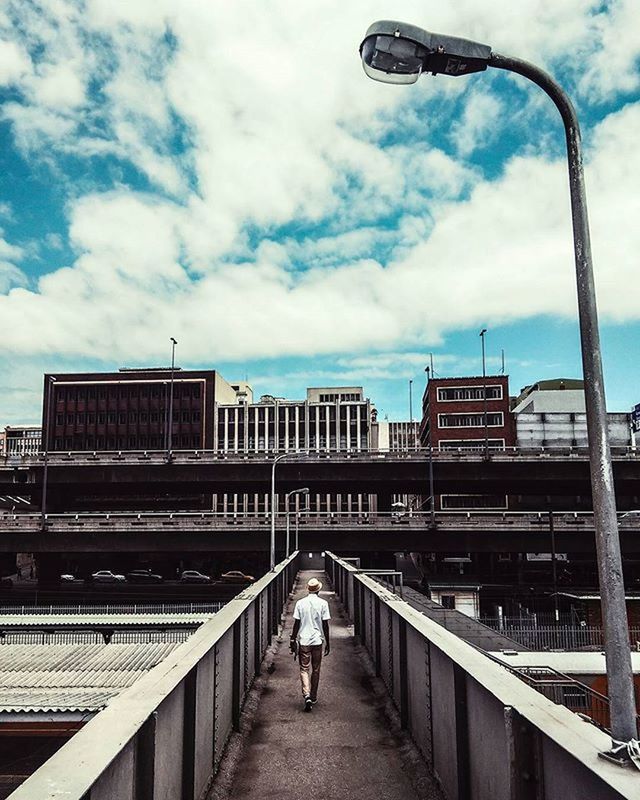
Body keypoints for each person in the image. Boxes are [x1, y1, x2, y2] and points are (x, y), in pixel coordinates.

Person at [290, 577, 331, 712]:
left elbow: (296, 624)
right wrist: (328, 642)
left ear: (308, 589)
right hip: (317, 641)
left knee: (304, 669)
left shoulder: (300, 603)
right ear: (318, 590)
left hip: (304, 641)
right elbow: (325, 625)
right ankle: (313, 697)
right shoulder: (323, 604)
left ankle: (306, 694)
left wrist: (292, 639)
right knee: (316, 669)